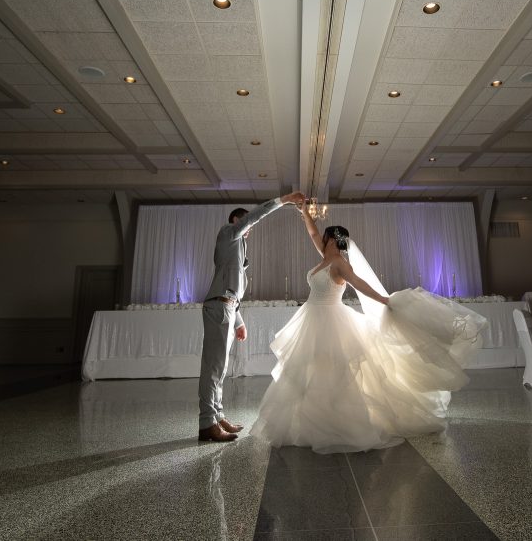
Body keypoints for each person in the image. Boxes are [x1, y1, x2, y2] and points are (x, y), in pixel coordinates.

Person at [249, 203, 487, 454]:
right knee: (310, 370)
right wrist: (304, 213)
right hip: (312, 316)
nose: (322, 238)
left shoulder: (340, 264)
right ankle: (312, 421)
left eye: (326, 236)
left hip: (330, 318)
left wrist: (383, 300)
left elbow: (359, 284)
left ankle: (337, 423)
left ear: (332, 239)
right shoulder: (324, 256)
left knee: (333, 370)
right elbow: (311, 233)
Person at [198, 191, 306, 442]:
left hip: (227, 308)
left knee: (221, 368)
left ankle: (217, 416)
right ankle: (206, 422)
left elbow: (233, 292)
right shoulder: (228, 233)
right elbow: (254, 217)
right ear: (237, 222)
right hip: (217, 307)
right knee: (213, 368)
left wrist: (240, 321)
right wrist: (284, 200)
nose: (250, 229)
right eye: (247, 224)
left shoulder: (238, 248)